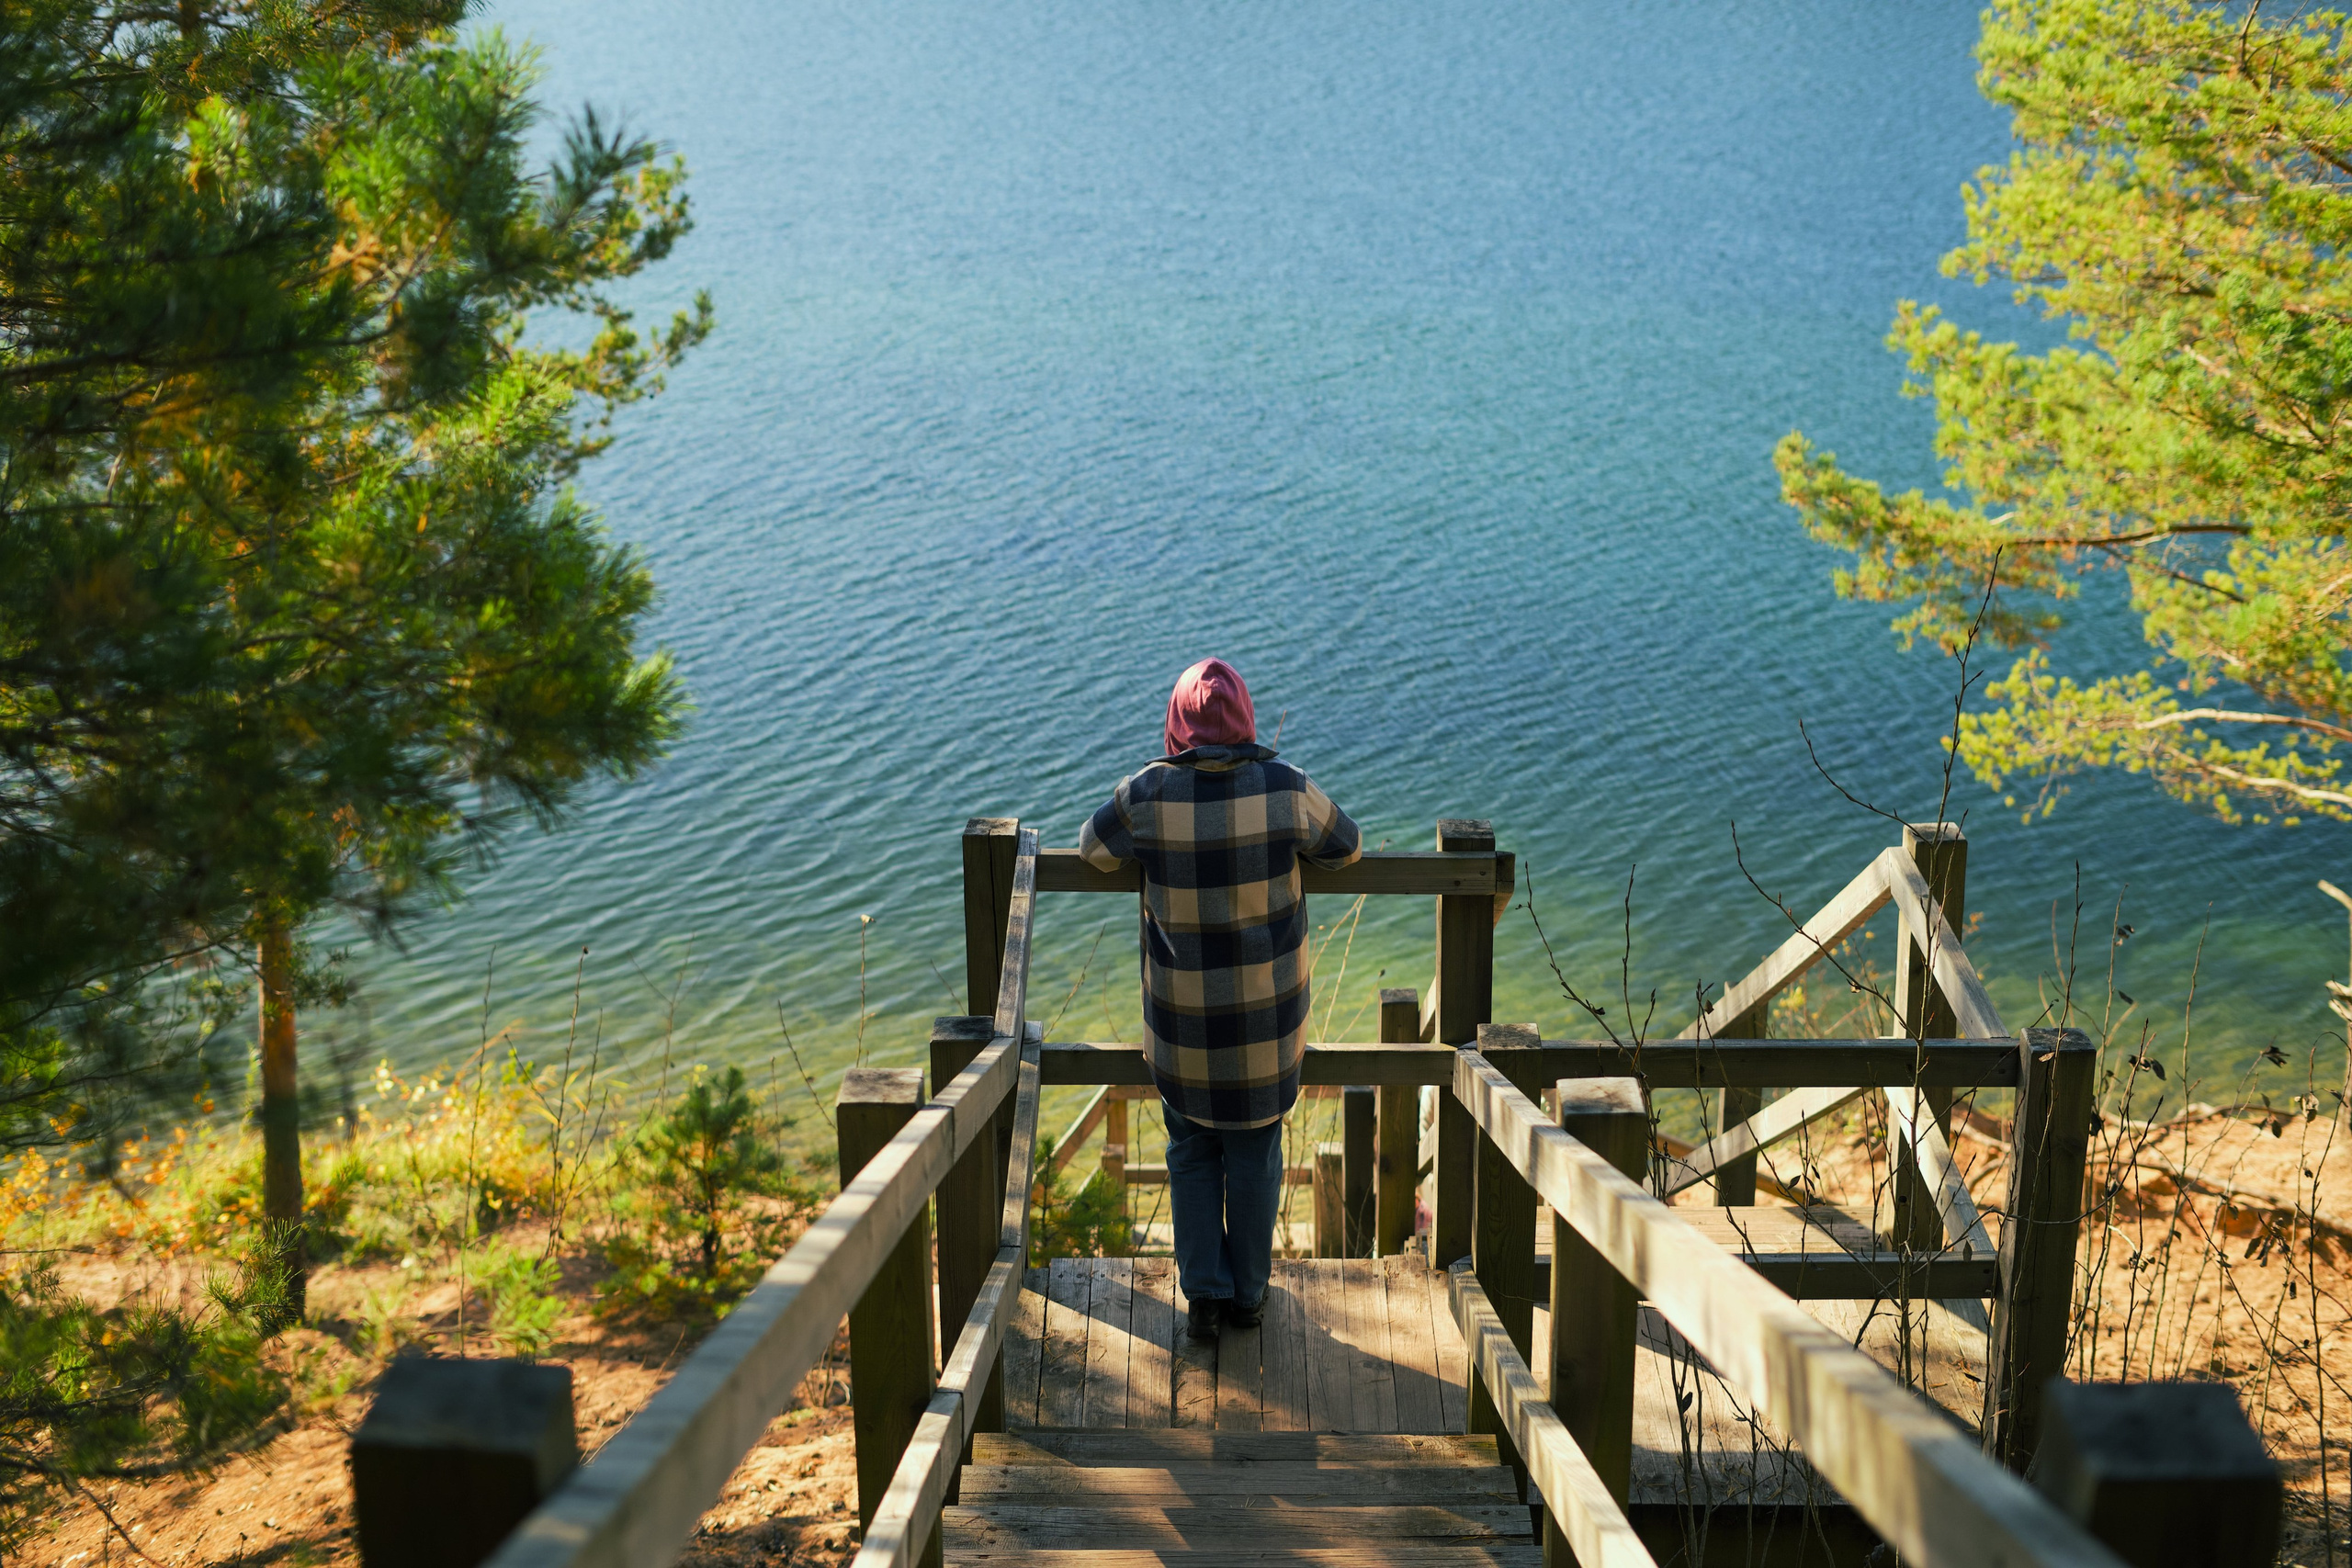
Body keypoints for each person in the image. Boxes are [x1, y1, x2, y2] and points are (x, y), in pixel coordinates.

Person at [1079, 659, 1361, 1340]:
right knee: (1255, 1156)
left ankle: (1204, 1294)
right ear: (1247, 720)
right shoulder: (1286, 788)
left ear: (1175, 726)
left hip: (1184, 1034)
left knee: (1191, 1153)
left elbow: (1091, 849)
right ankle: (1249, 1294)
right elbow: (1348, 847)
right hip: (1266, 1033)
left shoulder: (1147, 793)